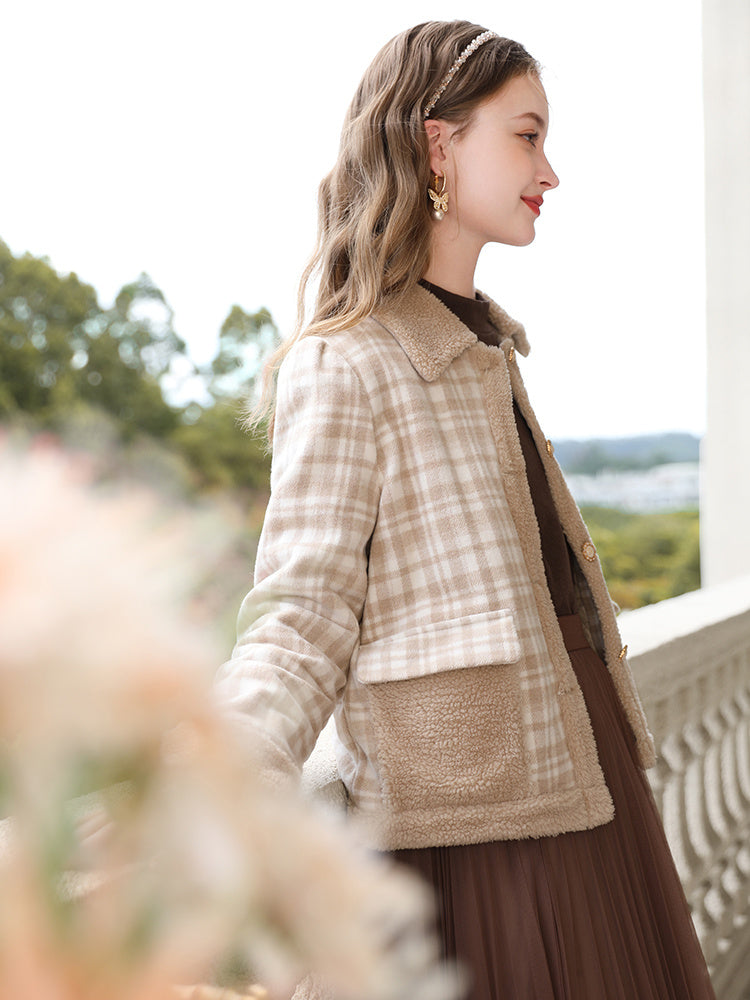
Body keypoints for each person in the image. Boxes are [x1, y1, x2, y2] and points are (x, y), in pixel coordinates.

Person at [215, 20, 716, 1000]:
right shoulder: (346, 360)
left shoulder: (485, 344)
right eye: (527, 136)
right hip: (475, 832)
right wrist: (223, 768)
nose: (551, 171)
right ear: (440, 144)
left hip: (577, 776)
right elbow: (300, 618)